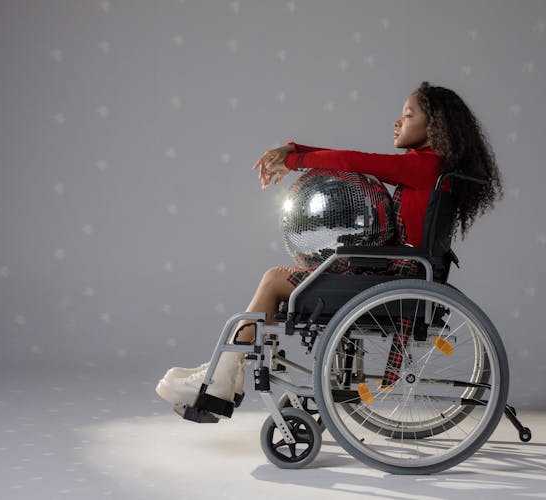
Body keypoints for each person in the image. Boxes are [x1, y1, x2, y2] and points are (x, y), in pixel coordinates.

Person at [155, 82, 503, 415]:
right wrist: (296, 151)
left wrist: (293, 159)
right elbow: (353, 161)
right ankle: (227, 370)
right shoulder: (432, 167)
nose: (398, 121)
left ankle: (221, 376)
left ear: (435, 125)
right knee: (277, 283)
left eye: (409, 115)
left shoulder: (425, 165)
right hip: (399, 276)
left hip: (391, 281)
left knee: (275, 280)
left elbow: (354, 162)